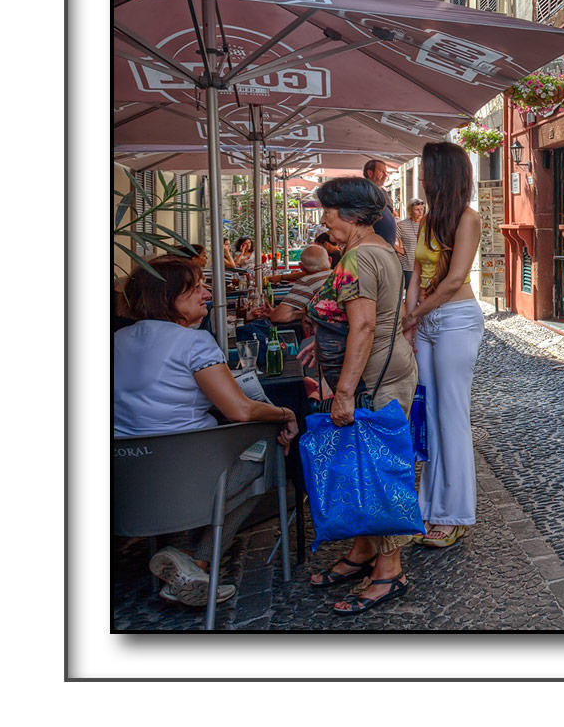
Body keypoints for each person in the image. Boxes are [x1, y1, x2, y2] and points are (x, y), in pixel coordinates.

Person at [114, 258, 299, 608]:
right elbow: (240, 409)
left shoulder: (116, 340)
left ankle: (182, 558)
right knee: (265, 453)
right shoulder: (194, 344)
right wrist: (285, 413)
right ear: (166, 296)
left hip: (132, 485)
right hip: (194, 481)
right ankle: (196, 561)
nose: (207, 293)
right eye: (196, 286)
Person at [305, 176, 419, 614]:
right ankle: (364, 552)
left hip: (373, 381)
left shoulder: (356, 258)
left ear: (349, 213)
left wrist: (345, 391)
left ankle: (389, 572)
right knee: (369, 465)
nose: (323, 219)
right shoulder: (380, 249)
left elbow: (366, 325)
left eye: (328, 211)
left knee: (381, 471)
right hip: (390, 370)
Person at [402, 141, 485, 550]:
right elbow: (415, 273)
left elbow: (454, 279)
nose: (420, 177)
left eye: (425, 170)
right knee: (430, 415)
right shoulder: (427, 221)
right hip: (429, 321)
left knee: (452, 416)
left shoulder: (468, 219)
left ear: (441, 176)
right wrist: (410, 314)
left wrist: (416, 314)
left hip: (456, 320)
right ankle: (430, 508)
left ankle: (455, 514)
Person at [361, 160, 398, 247]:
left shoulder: (383, 192)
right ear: (370, 173)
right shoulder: (364, 192)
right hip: (373, 246)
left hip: (387, 245)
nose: (386, 175)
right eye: (382, 172)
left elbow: (392, 213)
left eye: (386, 172)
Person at [395, 200, 424, 294]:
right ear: (410, 211)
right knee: (411, 293)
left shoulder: (428, 224)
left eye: (422, 209)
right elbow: (396, 244)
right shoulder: (402, 225)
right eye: (417, 209)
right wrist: (402, 252)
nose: (420, 212)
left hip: (426, 265)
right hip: (409, 267)